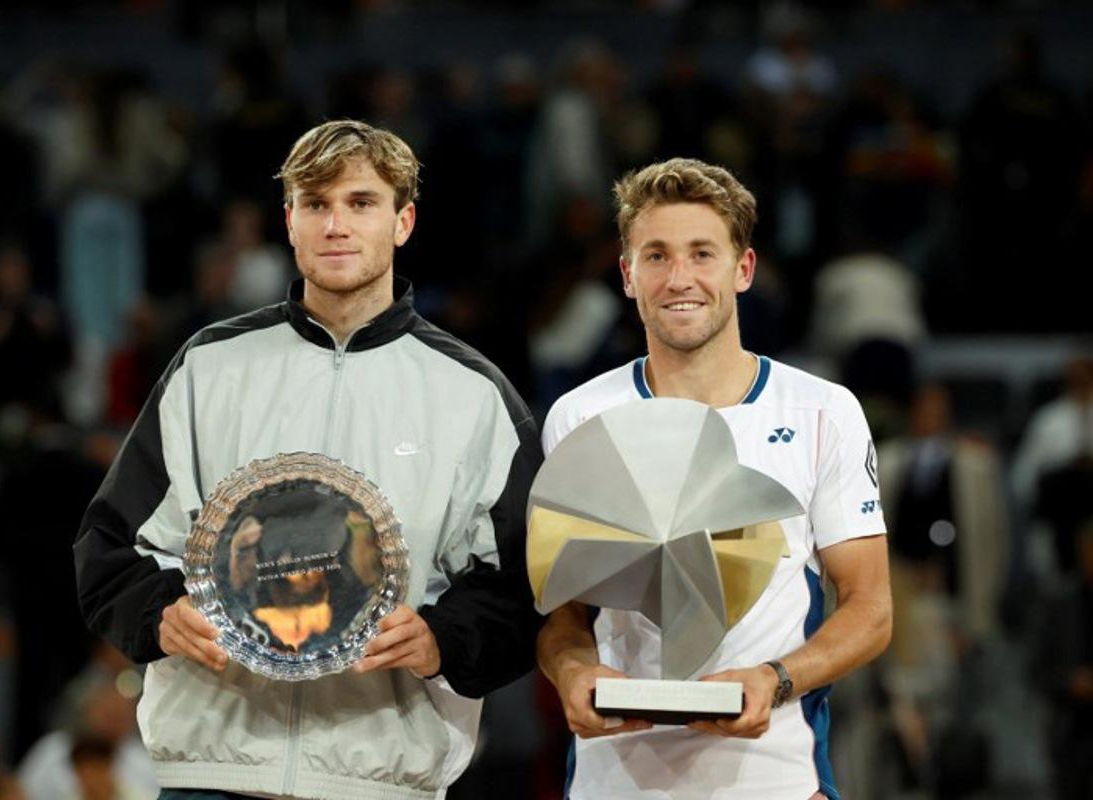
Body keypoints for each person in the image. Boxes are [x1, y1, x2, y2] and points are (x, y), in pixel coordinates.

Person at [73, 120, 543, 800]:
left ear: (403, 221)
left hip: (379, 778)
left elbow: (523, 587)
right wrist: (160, 614)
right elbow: (108, 545)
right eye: (315, 204)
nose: (335, 225)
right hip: (212, 770)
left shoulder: (473, 396)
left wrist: (444, 639)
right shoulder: (210, 368)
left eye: (360, 203)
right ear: (289, 220)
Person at [536, 158, 892, 800]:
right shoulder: (580, 416)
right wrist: (570, 673)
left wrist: (775, 679)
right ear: (627, 274)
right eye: (657, 256)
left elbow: (869, 608)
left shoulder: (822, 411)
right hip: (612, 779)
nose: (680, 279)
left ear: (743, 269)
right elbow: (562, 613)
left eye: (703, 254)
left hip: (774, 778)